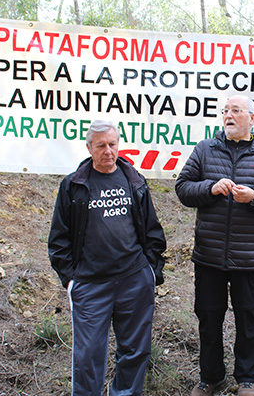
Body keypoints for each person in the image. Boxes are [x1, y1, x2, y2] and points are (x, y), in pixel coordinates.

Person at [175, 95, 254, 396]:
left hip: (248, 256)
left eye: (236, 110)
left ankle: (248, 378)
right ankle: (211, 377)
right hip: (209, 254)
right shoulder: (205, 149)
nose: (228, 115)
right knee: (208, 319)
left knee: (247, 320)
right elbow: (183, 188)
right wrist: (210, 188)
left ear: (252, 118)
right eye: (225, 110)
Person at [48, 120, 166, 396]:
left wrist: (151, 271)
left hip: (134, 279)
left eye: (112, 144)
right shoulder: (73, 185)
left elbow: (152, 229)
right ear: (89, 147)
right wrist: (70, 279)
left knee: (135, 350)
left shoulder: (134, 180)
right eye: (100, 146)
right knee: (88, 353)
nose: (108, 151)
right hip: (90, 283)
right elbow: (59, 237)